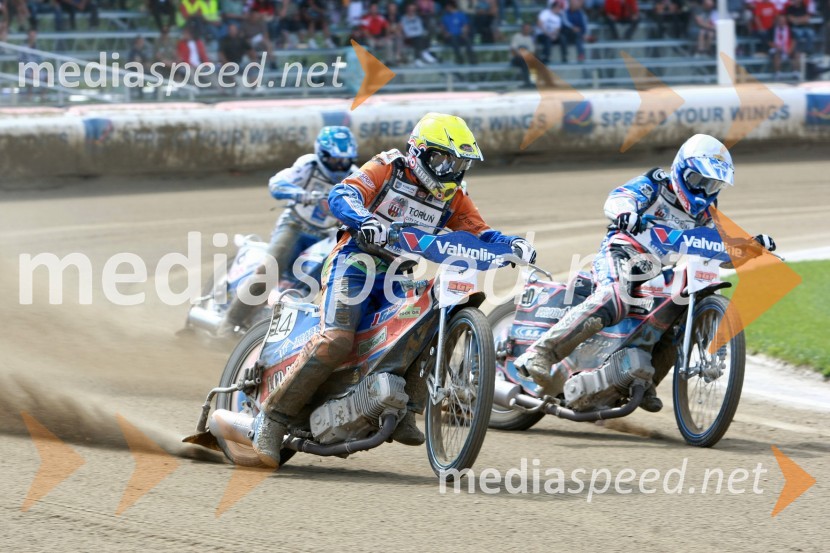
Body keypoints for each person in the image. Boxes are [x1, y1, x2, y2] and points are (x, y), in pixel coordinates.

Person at [250, 113, 537, 467]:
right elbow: (344, 194)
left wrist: (512, 244)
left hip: (397, 275)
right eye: (444, 160)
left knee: (428, 317)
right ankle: (272, 418)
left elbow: (480, 232)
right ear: (420, 153)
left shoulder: (454, 197)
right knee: (336, 339)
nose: (451, 171)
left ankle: (406, 407)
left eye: (460, 163)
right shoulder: (387, 167)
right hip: (354, 264)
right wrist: (364, 219)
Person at [515, 134, 776, 412]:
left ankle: (643, 380)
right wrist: (626, 213)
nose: (704, 191)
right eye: (699, 181)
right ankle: (540, 354)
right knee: (616, 297)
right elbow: (619, 197)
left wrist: (749, 248)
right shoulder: (655, 184)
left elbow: (716, 252)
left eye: (712, 185)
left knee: (677, 315)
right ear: (680, 171)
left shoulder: (706, 215)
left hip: (657, 270)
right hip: (622, 253)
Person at [222, 127, 360, 332]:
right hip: (295, 226)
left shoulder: (355, 176)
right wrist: (301, 194)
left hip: (327, 235)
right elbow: (276, 184)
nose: (340, 165)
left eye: (345, 160)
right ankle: (229, 324)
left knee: (327, 280)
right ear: (322, 155)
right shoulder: (308, 165)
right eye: (335, 160)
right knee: (269, 270)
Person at [441, 1, 477, 65]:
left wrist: (464, 33)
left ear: (450, 7)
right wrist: (445, 33)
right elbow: (443, 27)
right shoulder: (445, 17)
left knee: (467, 40)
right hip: (451, 37)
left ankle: (472, 60)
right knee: (454, 39)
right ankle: (459, 59)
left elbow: (466, 26)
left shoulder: (461, 15)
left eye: (447, 7)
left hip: (460, 35)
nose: (446, 8)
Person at [510, 22, 536, 86]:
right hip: (516, 58)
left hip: (526, 58)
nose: (526, 30)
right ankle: (527, 82)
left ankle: (534, 81)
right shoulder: (516, 36)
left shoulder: (530, 38)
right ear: (522, 29)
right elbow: (513, 49)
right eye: (525, 28)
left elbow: (532, 51)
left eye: (528, 29)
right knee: (524, 62)